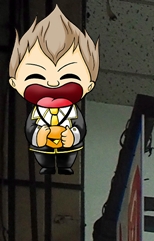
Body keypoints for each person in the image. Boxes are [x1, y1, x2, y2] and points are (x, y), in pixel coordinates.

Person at [8, 8, 98, 177]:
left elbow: (80, 127)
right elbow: (30, 127)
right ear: (15, 82)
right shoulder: (37, 112)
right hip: (43, 144)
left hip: (67, 142)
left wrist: (73, 135)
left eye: (68, 76)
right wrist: (37, 135)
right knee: (42, 153)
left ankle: (65, 166)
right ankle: (47, 166)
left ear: (89, 85)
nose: (53, 83)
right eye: (37, 76)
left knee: (68, 153)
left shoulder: (73, 112)